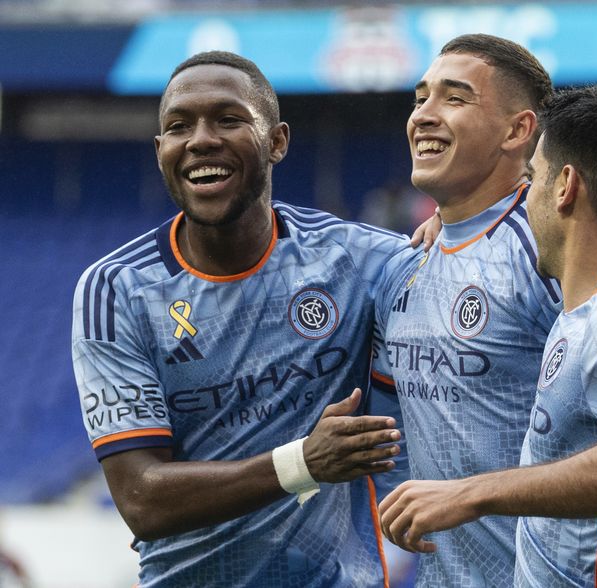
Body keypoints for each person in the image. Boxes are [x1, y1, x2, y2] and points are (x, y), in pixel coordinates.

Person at [371, 35, 597, 587]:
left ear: (519, 132)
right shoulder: (402, 263)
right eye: (420, 98)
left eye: (454, 98)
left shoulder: (558, 257)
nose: (424, 116)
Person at [71, 51, 420, 587]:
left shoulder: (357, 262)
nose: (200, 140)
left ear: (277, 141)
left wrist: (451, 237)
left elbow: (471, 280)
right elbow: (141, 498)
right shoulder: (118, 290)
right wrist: (303, 461)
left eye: (228, 119)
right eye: (178, 126)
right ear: (160, 150)